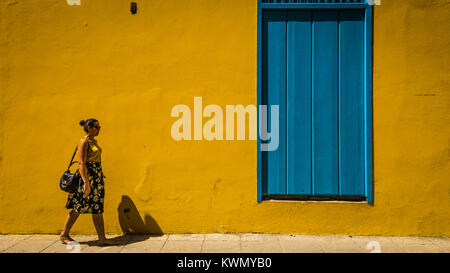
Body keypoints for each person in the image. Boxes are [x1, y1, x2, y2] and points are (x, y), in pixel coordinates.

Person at [60, 119, 116, 246]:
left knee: (97, 207)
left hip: (96, 178)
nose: (99, 129)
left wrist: (98, 178)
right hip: (87, 178)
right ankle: (64, 235)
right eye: (97, 127)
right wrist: (86, 182)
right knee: (78, 207)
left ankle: (101, 238)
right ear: (89, 127)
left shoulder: (93, 141)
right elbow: (81, 163)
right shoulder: (83, 142)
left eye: (99, 126)